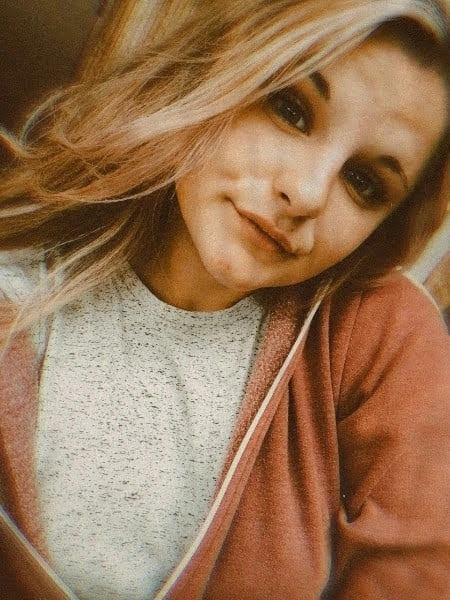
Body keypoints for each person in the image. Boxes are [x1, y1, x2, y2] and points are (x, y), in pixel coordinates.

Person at [0, 0, 449, 598]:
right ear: (212, 71)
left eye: (364, 182)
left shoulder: (377, 336)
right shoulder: (18, 274)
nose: (306, 193)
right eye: (291, 109)